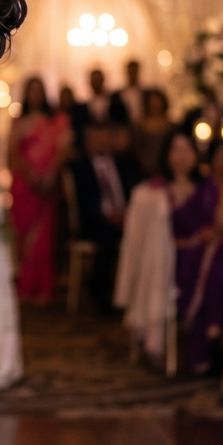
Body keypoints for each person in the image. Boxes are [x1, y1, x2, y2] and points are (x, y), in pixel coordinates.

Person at [155, 130, 223, 376]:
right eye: (176, 149)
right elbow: (155, 242)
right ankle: (217, 327)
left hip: (211, 250)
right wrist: (192, 241)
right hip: (176, 257)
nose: (182, 156)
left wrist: (211, 233)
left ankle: (215, 327)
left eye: (188, 149)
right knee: (215, 258)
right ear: (167, 155)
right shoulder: (157, 192)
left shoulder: (208, 185)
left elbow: (222, 223)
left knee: (221, 251)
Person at [68, 120, 142, 309]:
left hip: (126, 219)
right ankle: (102, 295)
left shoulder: (125, 164)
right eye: (96, 139)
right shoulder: (80, 167)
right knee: (107, 236)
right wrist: (109, 215)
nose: (101, 143)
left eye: (104, 138)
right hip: (96, 222)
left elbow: (135, 191)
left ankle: (139, 293)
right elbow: (83, 202)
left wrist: (127, 215)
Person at [9, 76, 68, 303]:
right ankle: (26, 285)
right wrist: (31, 175)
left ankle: (43, 286)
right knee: (24, 233)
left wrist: (50, 174)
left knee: (45, 236)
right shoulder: (19, 120)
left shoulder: (54, 121)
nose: (35, 94)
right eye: (31, 90)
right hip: (25, 184)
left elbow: (62, 148)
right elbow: (13, 151)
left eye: (38, 90)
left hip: (48, 184)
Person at [136, 87, 174, 180]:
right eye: (152, 101)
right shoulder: (138, 127)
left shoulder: (172, 126)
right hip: (144, 172)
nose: (155, 104)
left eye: (157, 100)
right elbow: (138, 149)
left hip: (169, 171)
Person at [110, 59, 150, 127]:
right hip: (124, 127)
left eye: (134, 71)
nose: (132, 74)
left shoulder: (146, 93)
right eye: (130, 71)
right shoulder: (118, 94)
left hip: (143, 126)